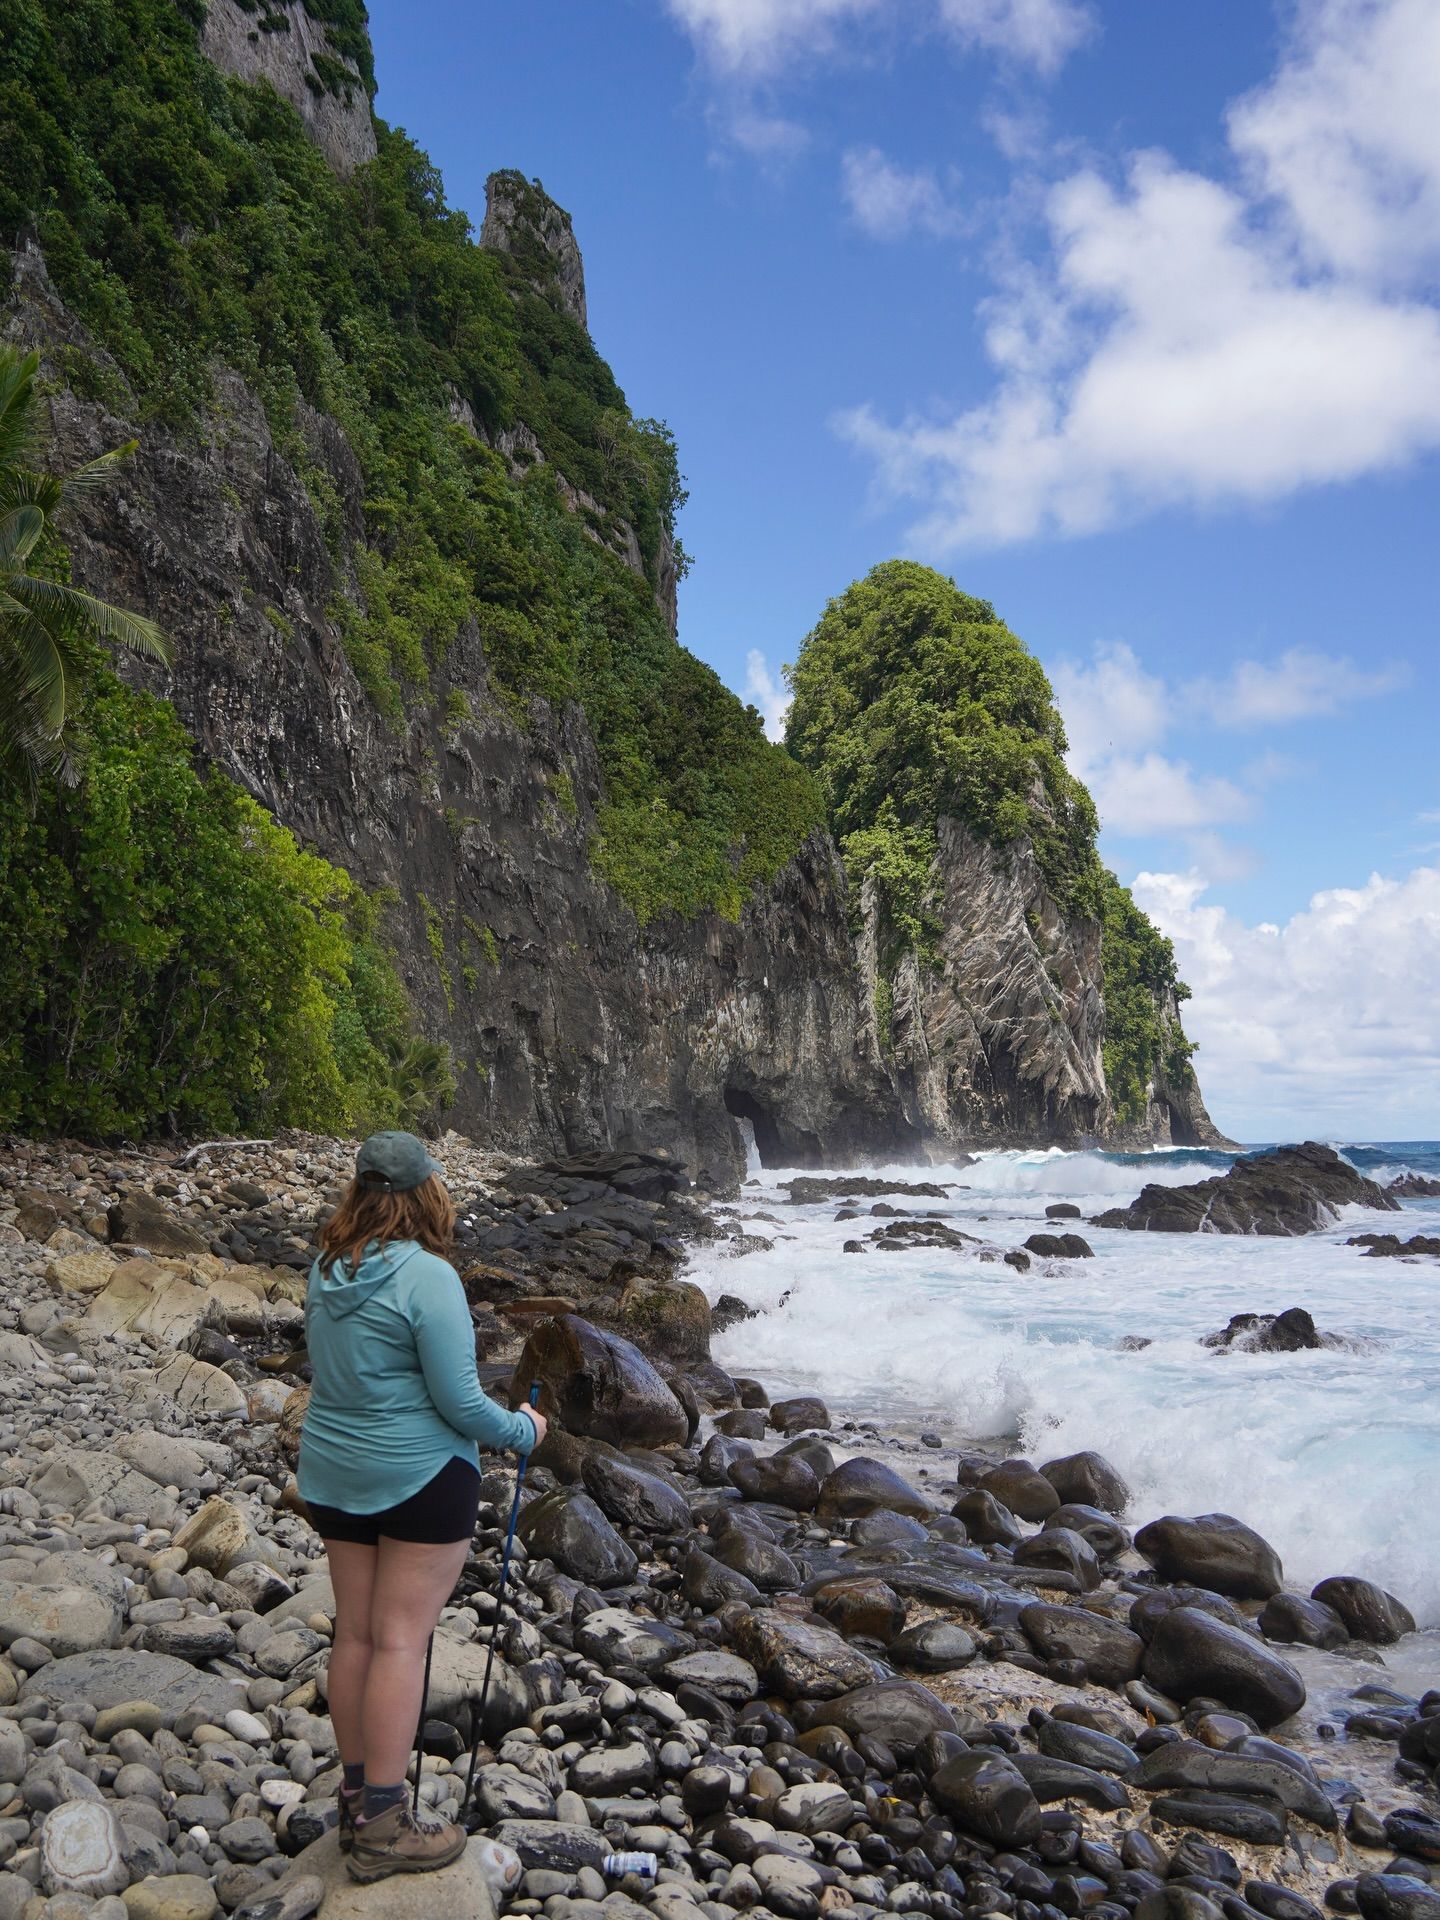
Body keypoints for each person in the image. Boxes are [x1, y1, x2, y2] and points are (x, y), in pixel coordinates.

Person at [298, 1130, 546, 1884]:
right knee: (402, 1641)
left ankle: (355, 1800)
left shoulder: (326, 1266)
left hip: (333, 1474)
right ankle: (383, 1824)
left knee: (356, 1635)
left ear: (361, 1191)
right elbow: (460, 1403)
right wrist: (523, 1431)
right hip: (419, 1477)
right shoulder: (429, 1277)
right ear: (427, 1193)